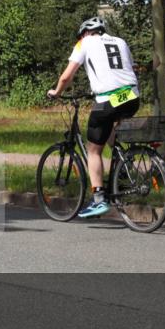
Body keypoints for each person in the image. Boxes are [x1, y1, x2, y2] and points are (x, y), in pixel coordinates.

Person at [47, 16, 140, 218]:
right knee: (109, 129)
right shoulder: (120, 41)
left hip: (109, 99)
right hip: (132, 95)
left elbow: (66, 76)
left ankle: (98, 199)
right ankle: (124, 167)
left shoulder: (85, 42)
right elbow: (126, 69)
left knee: (93, 150)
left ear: (86, 33)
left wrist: (57, 92)